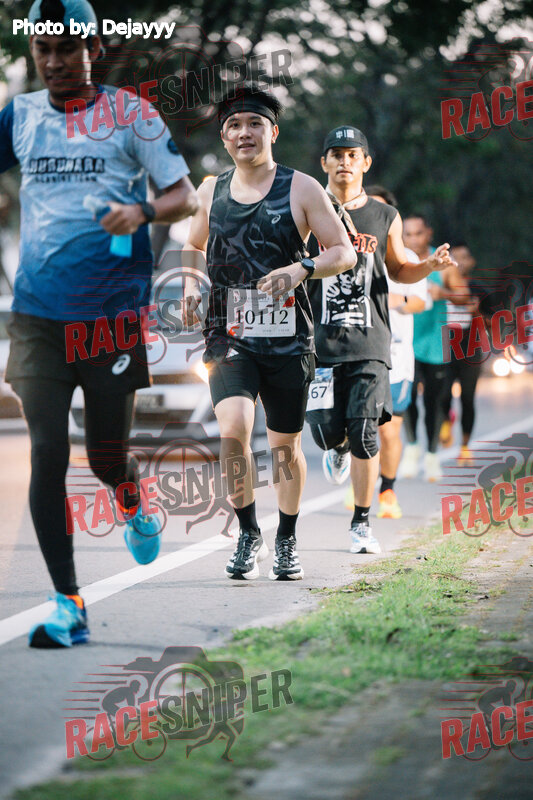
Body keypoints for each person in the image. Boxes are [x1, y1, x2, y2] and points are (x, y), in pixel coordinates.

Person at [1, 0, 198, 647]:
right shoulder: (20, 116)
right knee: (48, 455)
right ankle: (68, 602)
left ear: (93, 50)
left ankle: (131, 498)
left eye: (68, 49)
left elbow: (184, 194)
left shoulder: (130, 114)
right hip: (37, 316)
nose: (55, 61)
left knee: (107, 457)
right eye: (44, 50)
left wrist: (142, 212)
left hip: (110, 318)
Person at [183, 85, 355, 581]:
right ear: (224, 137)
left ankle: (287, 538)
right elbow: (193, 246)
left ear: (272, 132)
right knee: (233, 428)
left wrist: (302, 268)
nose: (245, 133)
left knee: (284, 447)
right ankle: (247, 532)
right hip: (227, 334)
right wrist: (192, 283)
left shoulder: (302, 188)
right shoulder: (210, 191)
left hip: (287, 339)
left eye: (254, 124)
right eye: (234, 126)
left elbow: (343, 251)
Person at [305, 128, 455, 554]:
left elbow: (399, 269)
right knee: (326, 431)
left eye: (353, 155)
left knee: (366, 432)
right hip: (320, 342)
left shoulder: (385, 215)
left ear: (366, 163)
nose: (345, 162)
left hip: (371, 342)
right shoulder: (306, 209)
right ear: (324, 162)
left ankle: (361, 523)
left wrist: (428, 266)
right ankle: (336, 446)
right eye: (336, 154)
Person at [363, 186, 427, 519]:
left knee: (389, 431)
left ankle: (387, 490)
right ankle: (359, 477)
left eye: (381, 211)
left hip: (396, 358)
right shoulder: (348, 253)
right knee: (356, 427)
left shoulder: (408, 259)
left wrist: (392, 300)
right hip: (356, 352)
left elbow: (419, 302)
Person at [399, 214, 448, 482]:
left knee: (433, 402)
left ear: (428, 233)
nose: (413, 239)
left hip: (436, 344)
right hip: (406, 343)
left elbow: (465, 295)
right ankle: (412, 447)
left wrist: (445, 294)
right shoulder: (399, 260)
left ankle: (431, 455)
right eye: (407, 234)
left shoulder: (442, 259)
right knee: (407, 399)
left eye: (418, 233)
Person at [439, 243, 481, 464]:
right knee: (443, 394)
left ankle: (465, 447)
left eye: (464, 257)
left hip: (470, 350)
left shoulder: (478, 288)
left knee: (467, 398)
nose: (459, 263)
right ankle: (447, 418)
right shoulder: (440, 285)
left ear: (471, 262)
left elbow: (495, 320)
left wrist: (477, 312)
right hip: (445, 348)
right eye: (454, 258)